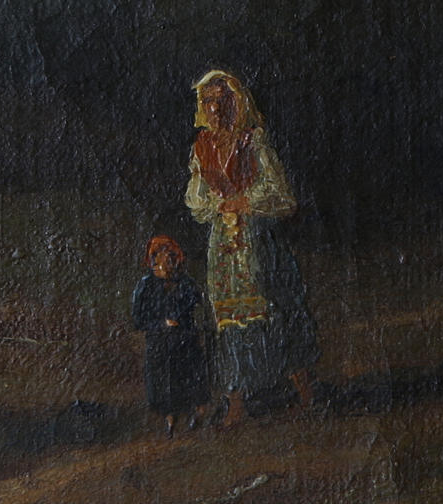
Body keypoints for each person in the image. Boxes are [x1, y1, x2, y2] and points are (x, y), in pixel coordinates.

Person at [184, 70, 319, 426]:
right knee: (228, 319)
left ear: (237, 102)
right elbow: (196, 201)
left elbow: (282, 196)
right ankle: (236, 403)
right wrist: (218, 204)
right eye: (208, 102)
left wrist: (245, 201)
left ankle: (305, 392)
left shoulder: (253, 140)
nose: (215, 109)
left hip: (258, 240)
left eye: (222, 101)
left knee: (276, 307)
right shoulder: (202, 147)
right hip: (225, 247)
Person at [131, 235, 210, 437]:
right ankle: (170, 419)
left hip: (186, 340)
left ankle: (198, 412)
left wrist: (190, 324)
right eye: (160, 258)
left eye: (170, 258)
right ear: (153, 260)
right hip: (159, 342)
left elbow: (198, 308)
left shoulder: (186, 283)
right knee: (164, 379)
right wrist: (161, 323)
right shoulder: (145, 286)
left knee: (190, 375)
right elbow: (138, 319)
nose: (166, 264)